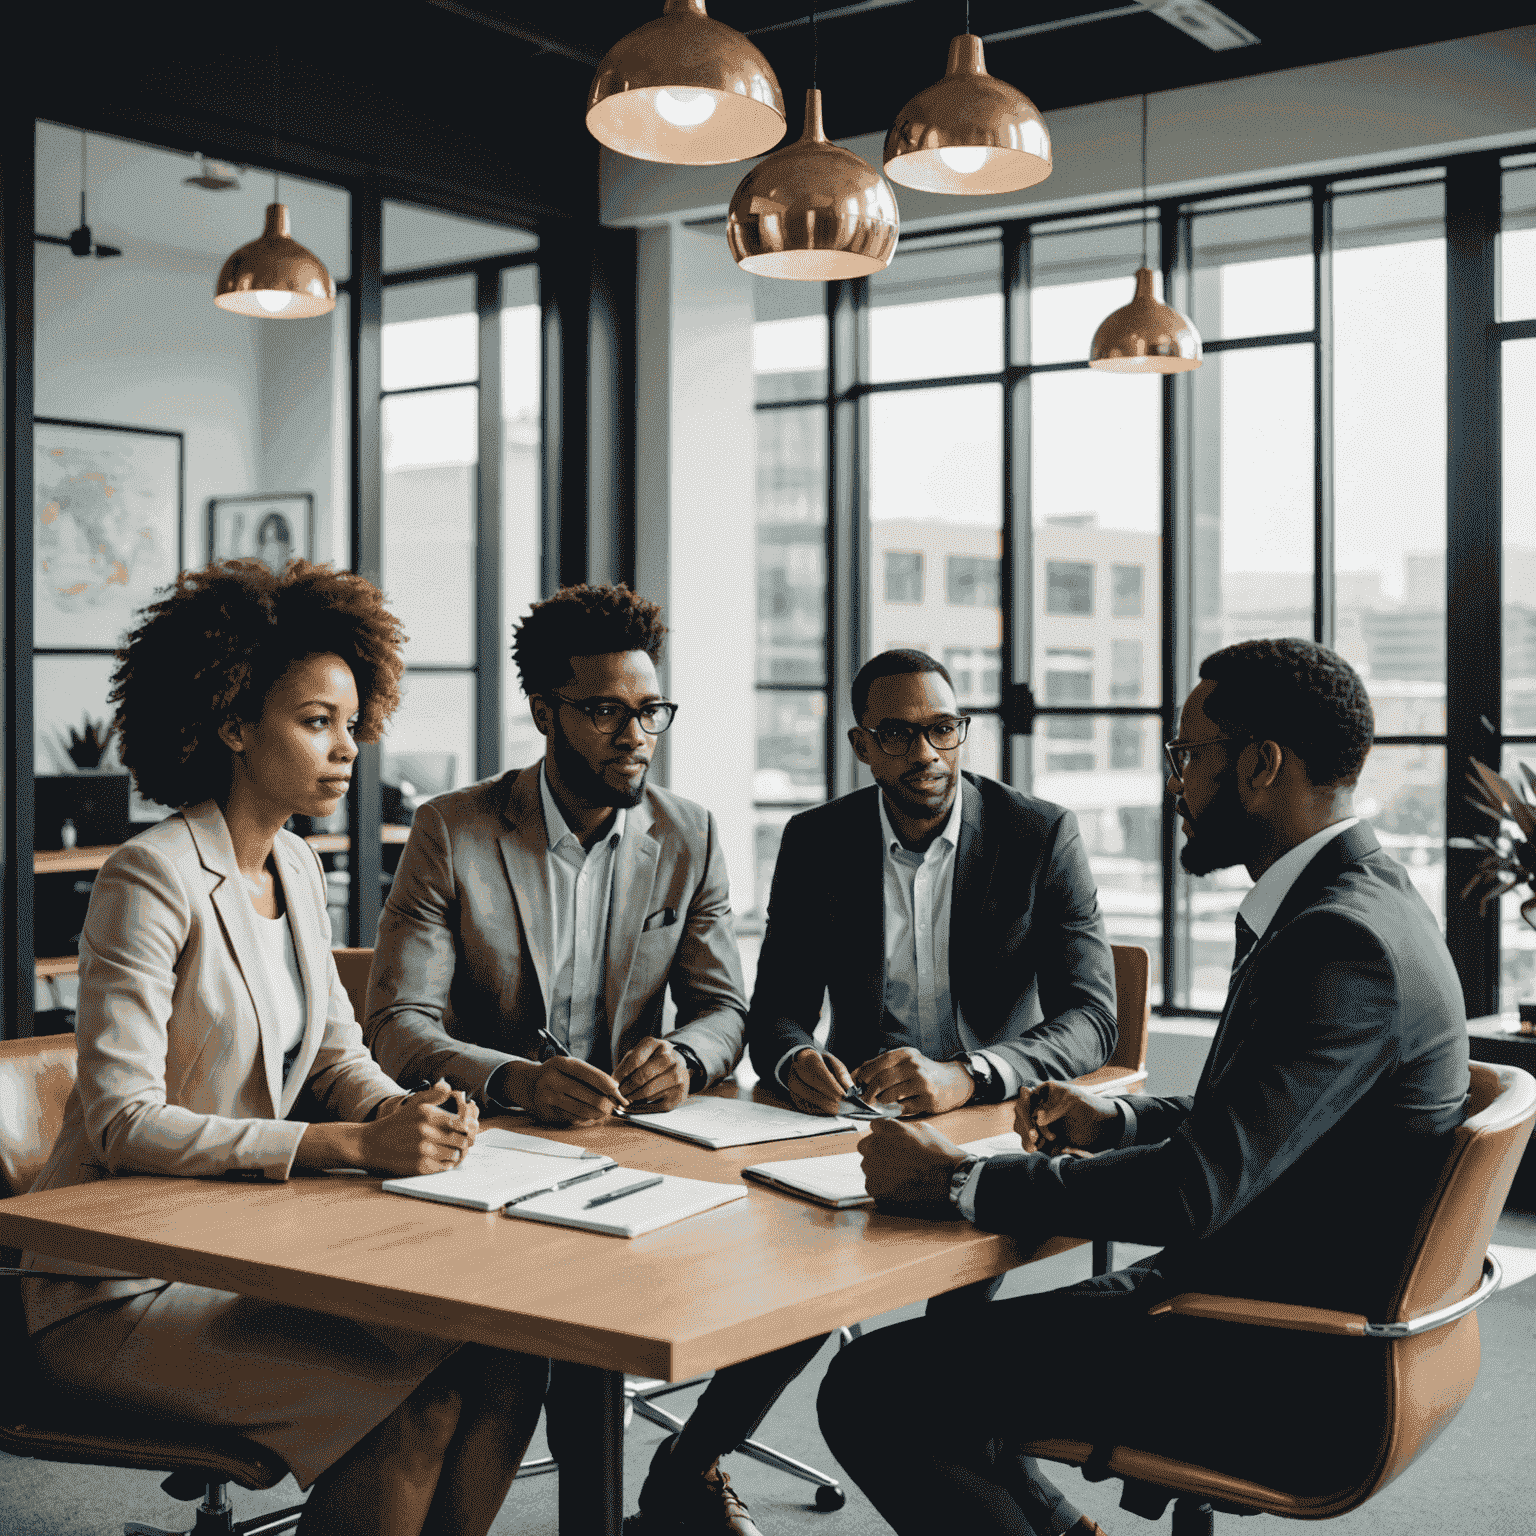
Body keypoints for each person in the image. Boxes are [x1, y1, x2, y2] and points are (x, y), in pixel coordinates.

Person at [816, 638, 1470, 1536]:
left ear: (1260, 764)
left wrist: (955, 1180)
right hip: (1286, 1302)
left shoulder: (1336, 944)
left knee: (872, 1385)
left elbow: (1192, 1190)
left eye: (1188, 756)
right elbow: (1278, 1118)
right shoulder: (1366, 897)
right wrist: (1118, 1118)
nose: (1176, 784)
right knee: (957, 1364)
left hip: (1279, 1356)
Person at [21, 558, 549, 1536]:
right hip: (114, 1287)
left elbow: (336, 1053)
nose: (348, 749)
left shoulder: (299, 864)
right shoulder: (151, 876)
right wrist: (351, 1149)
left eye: (353, 723)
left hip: (241, 1254)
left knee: (509, 1353)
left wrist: (398, 1109)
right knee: (411, 1403)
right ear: (230, 723)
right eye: (316, 722)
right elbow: (123, 1121)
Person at [628, 648, 1119, 1536]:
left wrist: (969, 1072)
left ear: (961, 731)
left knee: (950, 1321)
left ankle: (689, 1466)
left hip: (993, 1123)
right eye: (898, 734)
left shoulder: (1039, 834)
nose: (926, 752)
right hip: (857, 1122)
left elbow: (1092, 1018)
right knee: (814, 1282)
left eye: (942, 729)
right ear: (862, 744)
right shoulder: (818, 840)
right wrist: (791, 1062)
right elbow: (776, 1011)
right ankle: (692, 1468)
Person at [362, 582, 751, 1523]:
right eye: (605, 711)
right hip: (485, 1150)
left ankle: (643, 1485)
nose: (636, 734)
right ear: (544, 712)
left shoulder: (687, 832)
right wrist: (517, 1079)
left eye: (650, 709)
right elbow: (396, 1026)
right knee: (542, 1354)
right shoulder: (454, 829)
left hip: (634, 1147)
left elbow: (725, 1008)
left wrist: (688, 1060)